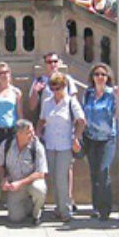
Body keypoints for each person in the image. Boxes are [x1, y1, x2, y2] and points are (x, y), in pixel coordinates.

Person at [37, 72, 85, 222]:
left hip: (65, 145)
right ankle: (58, 208)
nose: (55, 91)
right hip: (50, 143)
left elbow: (81, 120)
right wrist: (38, 134)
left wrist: (76, 137)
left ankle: (65, 211)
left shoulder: (71, 102)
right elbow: (42, 120)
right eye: (52, 88)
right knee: (53, 177)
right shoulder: (47, 102)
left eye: (58, 88)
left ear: (65, 86)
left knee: (61, 178)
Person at [81, 64, 118, 221]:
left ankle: (105, 208)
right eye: (97, 74)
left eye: (103, 74)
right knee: (94, 173)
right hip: (90, 137)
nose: (100, 77)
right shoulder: (88, 94)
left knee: (103, 172)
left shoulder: (112, 94)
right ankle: (96, 207)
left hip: (107, 138)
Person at [0, 119, 48, 225]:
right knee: (15, 218)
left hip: (30, 183)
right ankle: (28, 205)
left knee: (39, 189)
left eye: (32, 131)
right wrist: (3, 179)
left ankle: (36, 213)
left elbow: (41, 173)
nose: (32, 134)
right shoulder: (6, 145)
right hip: (14, 185)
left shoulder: (37, 146)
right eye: (29, 132)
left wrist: (20, 183)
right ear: (19, 134)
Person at [0, 61, 23, 153]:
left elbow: (19, 113)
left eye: (6, 72)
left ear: (10, 73)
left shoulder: (16, 92)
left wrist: (21, 130)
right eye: (0, 73)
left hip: (11, 130)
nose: (3, 75)